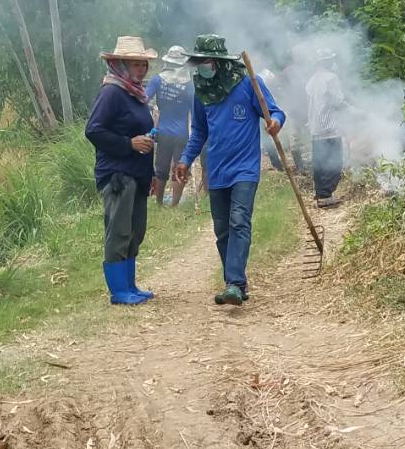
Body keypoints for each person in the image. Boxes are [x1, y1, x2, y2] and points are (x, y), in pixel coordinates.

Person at [173, 34, 285, 306]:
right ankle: (235, 283)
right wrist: (186, 159)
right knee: (222, 228)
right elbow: (199, 131)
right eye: (197, 62)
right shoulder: (201, 91)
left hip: (245, 168)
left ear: (220, 62)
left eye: (206, 62)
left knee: (238, 220)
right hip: (217, 170)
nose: (201, 67)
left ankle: (234, 282)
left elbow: (275, 112)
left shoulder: (248, 84)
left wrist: (275, 124)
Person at [85, 35, 158, 305]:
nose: (142, 69)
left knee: (135, 231)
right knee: (119, 231)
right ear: (121, 65)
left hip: (136, 175)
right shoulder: (112, 92)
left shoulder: (135, 93)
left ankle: (130, 285)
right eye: (136, 65)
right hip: (117, 174)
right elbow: (93, 130)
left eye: (144, 65)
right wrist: (129, 144)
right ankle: (119, 292)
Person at [146, 45, 196, 207]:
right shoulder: (189, 85)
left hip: (163, 132)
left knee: (161, 169)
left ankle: (159, 203)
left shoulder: (157, 80)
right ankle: (174, 204)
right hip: (182, 133)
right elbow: (195, 112)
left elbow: (143, 100)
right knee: (179, 168)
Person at [306, 48, 353, 208]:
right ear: (325, 61)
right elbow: (338, 101)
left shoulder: (311, 80)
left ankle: (321, 195)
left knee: (319, 162)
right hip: (330, 128)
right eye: (331, 59)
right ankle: (326, 196)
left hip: (315, 127)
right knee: (335, 162)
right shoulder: (331, 78)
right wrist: (354, 111)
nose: (333, 61)